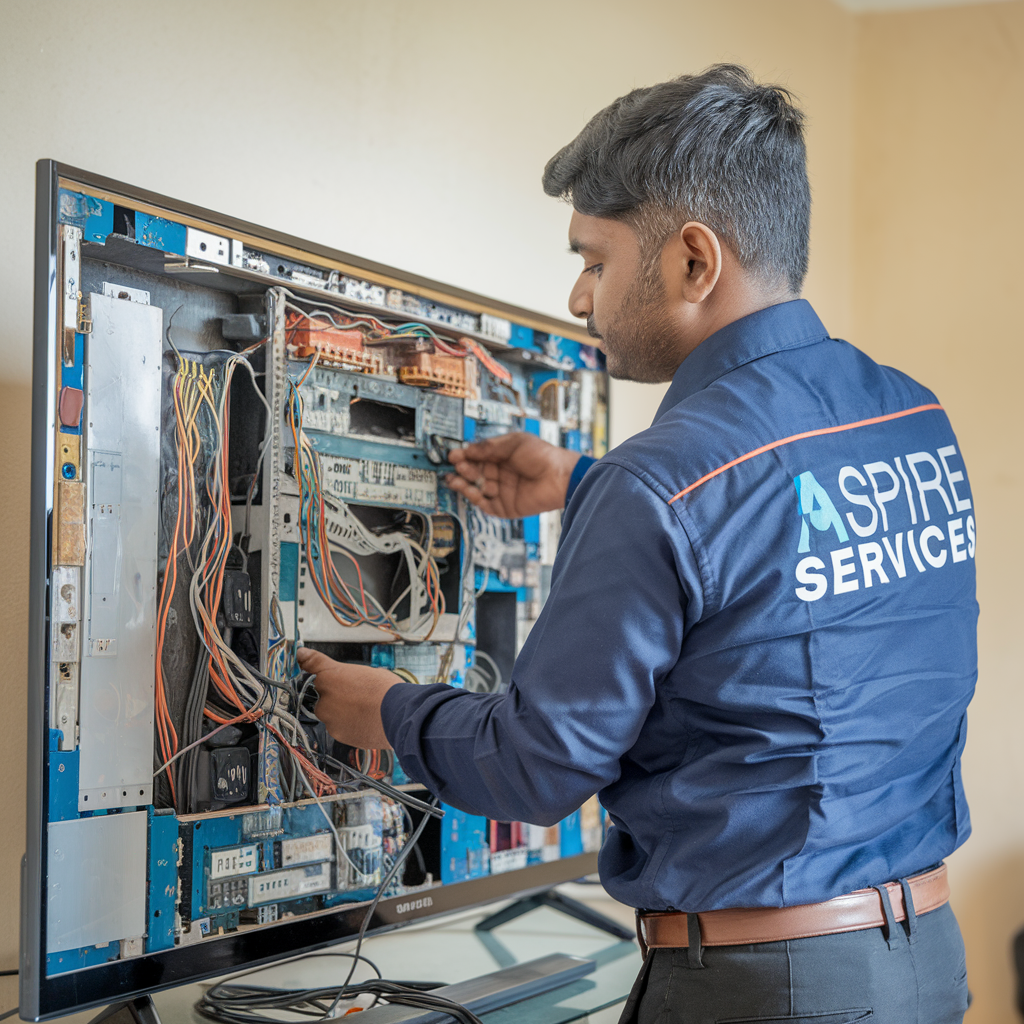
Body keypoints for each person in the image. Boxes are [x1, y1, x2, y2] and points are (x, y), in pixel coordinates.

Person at [298, 65, 977, 1023]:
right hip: (923, 964)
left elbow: (538, 767)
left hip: (761, 989)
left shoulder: (661, 480)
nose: (579, 298)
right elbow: (781, 561)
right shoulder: (913, 419)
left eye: (595, 259)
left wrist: (389, 711)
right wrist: (582, 484)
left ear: (695, 261)